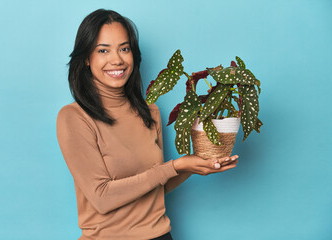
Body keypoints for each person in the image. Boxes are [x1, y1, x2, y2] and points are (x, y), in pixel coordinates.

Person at [56, 9, 238, 240]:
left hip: (161, 235)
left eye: (124, 48)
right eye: (103, 50)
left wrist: (191, 167)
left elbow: (154, 189)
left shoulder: (149, 112)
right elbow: (102, 198)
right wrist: (174, 166)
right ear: (86, 58)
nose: (117, 60)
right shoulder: (74, 117)